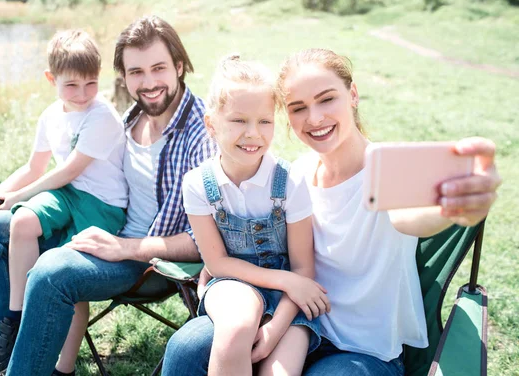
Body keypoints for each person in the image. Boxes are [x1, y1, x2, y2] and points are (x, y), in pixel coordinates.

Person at [162, 48, 501, 376]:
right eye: (298, 108)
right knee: (184, 349)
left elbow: (411, 218)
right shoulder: (296, 175)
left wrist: (453, 208)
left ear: (352, 94)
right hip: (295, 322)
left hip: (361, 351)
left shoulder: (386, 171)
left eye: (327, 99)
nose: (314, 118)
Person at [0, 15, 215, 376]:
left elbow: (205, 241)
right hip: (102, 233)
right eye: (136, 72)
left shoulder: (201, 134)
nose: (148, 83)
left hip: (150, 261)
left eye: (158, 68)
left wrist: (126, 247)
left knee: (52, 273)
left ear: (179, 66)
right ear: (124, 76)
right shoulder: (132, 117)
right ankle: (10, 352)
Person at [0, 29, 128, 375]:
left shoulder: (102, 116)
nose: (82, 94)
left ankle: (65, 367)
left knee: (67, 277)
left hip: (101, 205)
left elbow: (68, 171)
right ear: (51, 79)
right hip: (69, 194)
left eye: (91, 84)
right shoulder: (51, 116)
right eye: (71, 85)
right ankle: (15, 318)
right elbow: (34, 167)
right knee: (23, 221)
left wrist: (15, 197)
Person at [182, 55, 330, 376]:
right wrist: (286, 279)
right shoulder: (197, 184)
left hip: (291, 300)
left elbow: (303, 268)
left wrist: (274, 330)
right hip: (232, 284)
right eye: (239, 121)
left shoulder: (289, 182)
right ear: (211, 124)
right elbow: (217, 262)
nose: (253, 134)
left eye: (265, 121)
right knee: (235, 329)